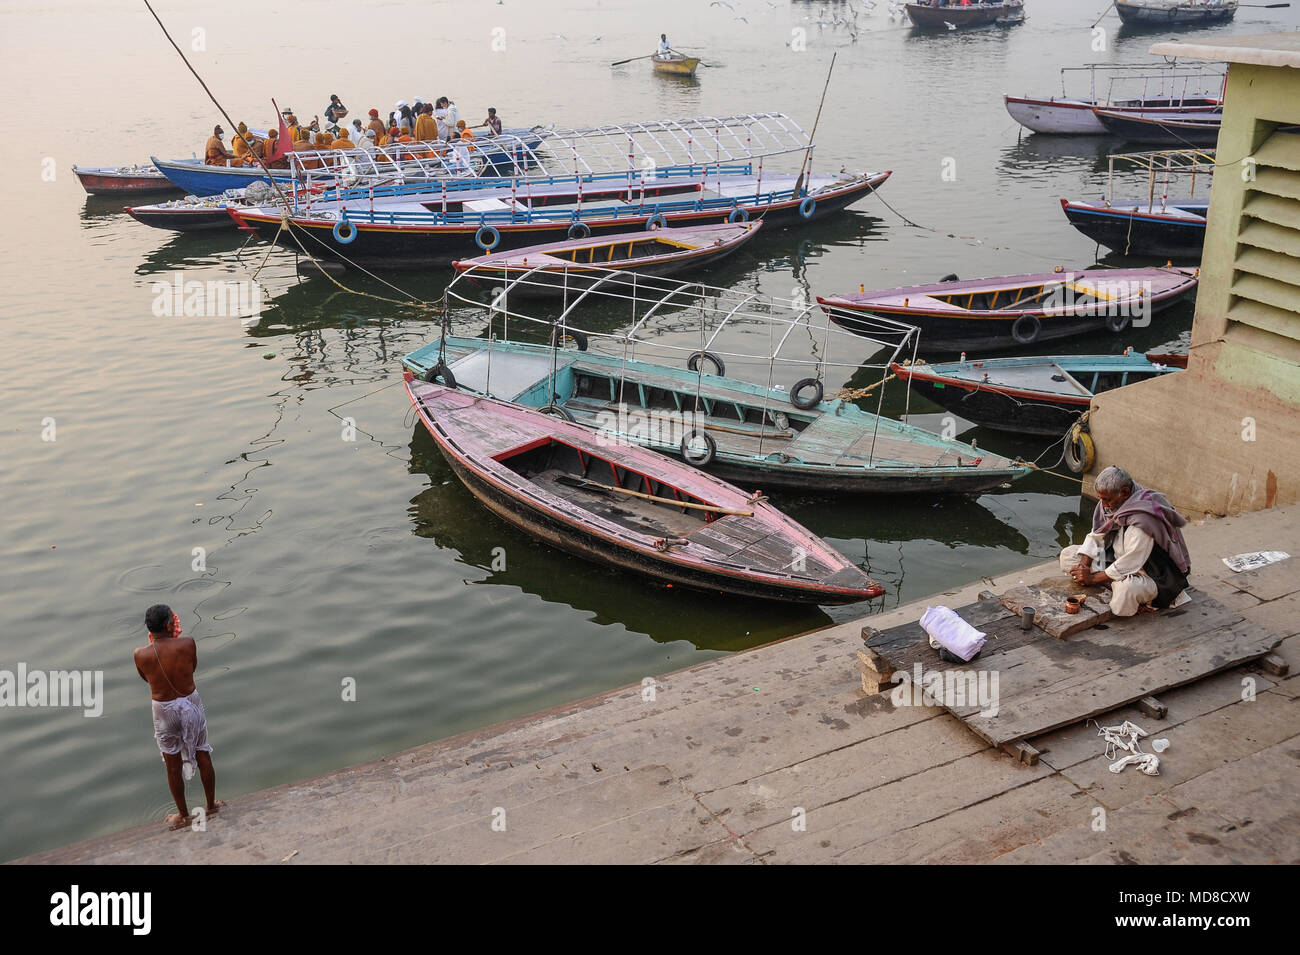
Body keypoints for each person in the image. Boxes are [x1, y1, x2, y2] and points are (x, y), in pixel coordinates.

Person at [133, 604, 221, 830]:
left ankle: (183, 815)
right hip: (190, 703)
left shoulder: (140, 654)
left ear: (149, 630)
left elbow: (147, 679)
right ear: (170, 625)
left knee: (172, 765)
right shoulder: (187, 643)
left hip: (162, 709)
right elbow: (192, 668)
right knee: (202, 753)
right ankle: (211, 806)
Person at [1060, 466, 1191, 617]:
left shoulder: (1144, 519)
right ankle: (1111, 582)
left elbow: (1131, 562)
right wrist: (1084, 566)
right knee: (1068, 555)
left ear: (1125, 492)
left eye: (1107, 500)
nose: (1102, 505)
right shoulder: (1111, 501)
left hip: (1149, 574)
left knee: (1123, 598)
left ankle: (1126, 590)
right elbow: (1097, 535)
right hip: (1116, 559)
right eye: (1101, 498)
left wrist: (1092, 578)